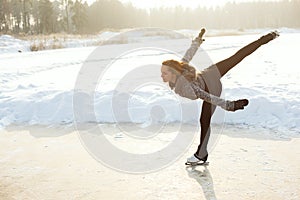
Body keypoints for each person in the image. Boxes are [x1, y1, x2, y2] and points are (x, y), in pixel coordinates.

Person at [161, 28, 279, 164]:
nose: (161, 75)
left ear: (174, 73)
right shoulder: (179, 72)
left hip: (211, 86)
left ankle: (201, 155)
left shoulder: (187, 88)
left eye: (164, 73)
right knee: (236, 58)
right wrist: (196, 42)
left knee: (204, 120)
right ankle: (267, 38)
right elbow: (188, 56)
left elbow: (206, 96)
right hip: (209, 74)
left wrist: (229, 105)